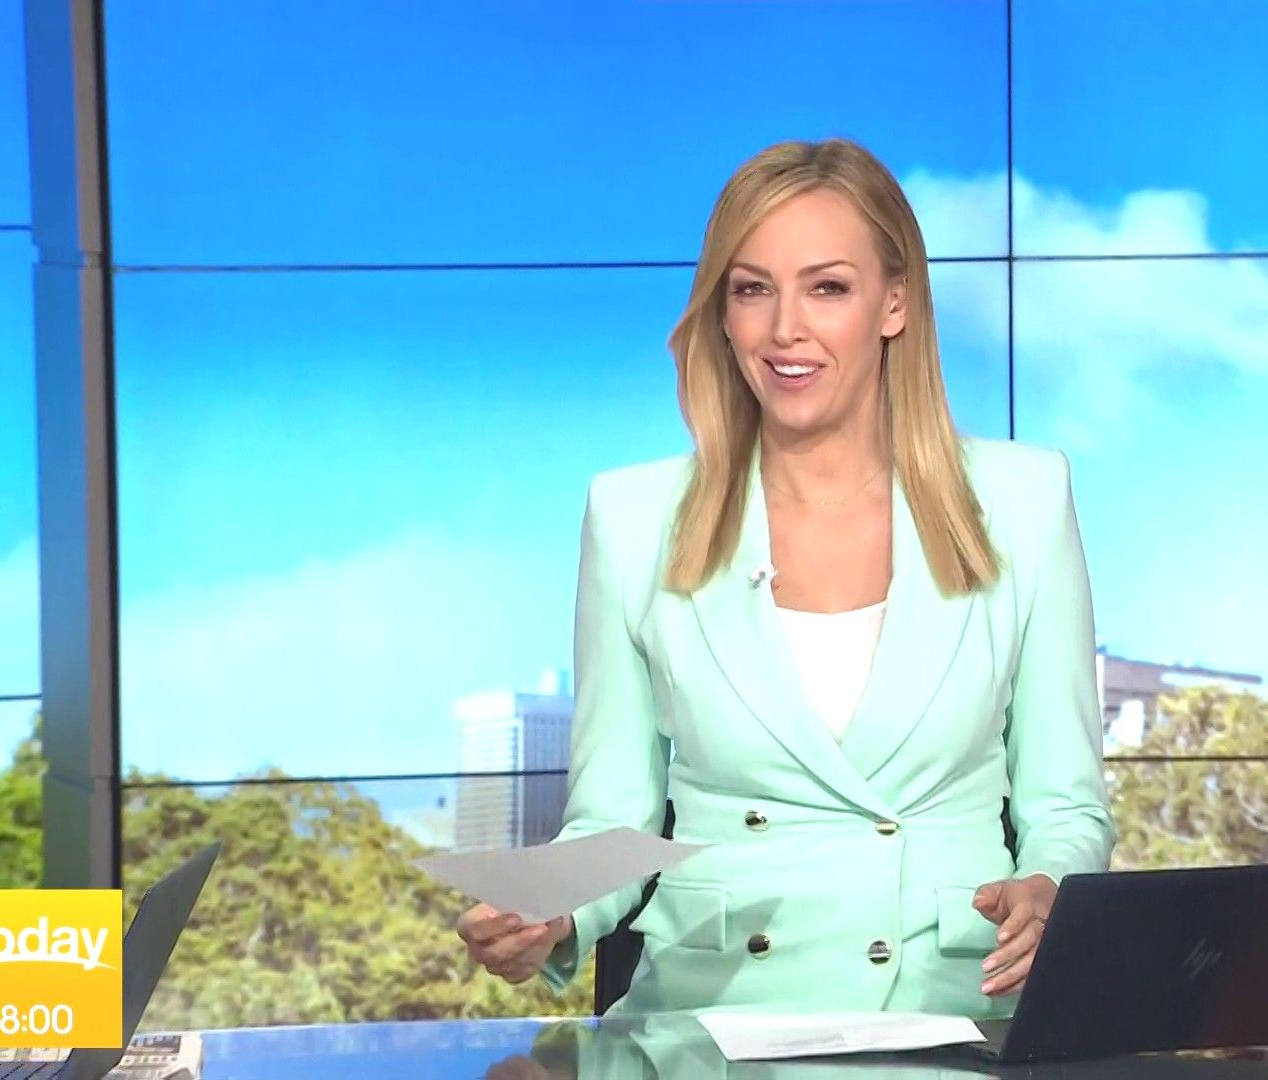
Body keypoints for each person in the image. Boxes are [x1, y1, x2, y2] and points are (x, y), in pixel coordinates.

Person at [455, 137, 1115, 1018]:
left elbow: (1065, 808)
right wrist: (554, 914)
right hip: (709, 1029)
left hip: (949, 1022)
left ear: (894, 302)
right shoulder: (632, 519)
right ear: (723, 314)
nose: (784, 330)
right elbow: (615, 818)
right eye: (752, 289)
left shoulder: (1024, 501)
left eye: (827, 288)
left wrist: (1049, 889)